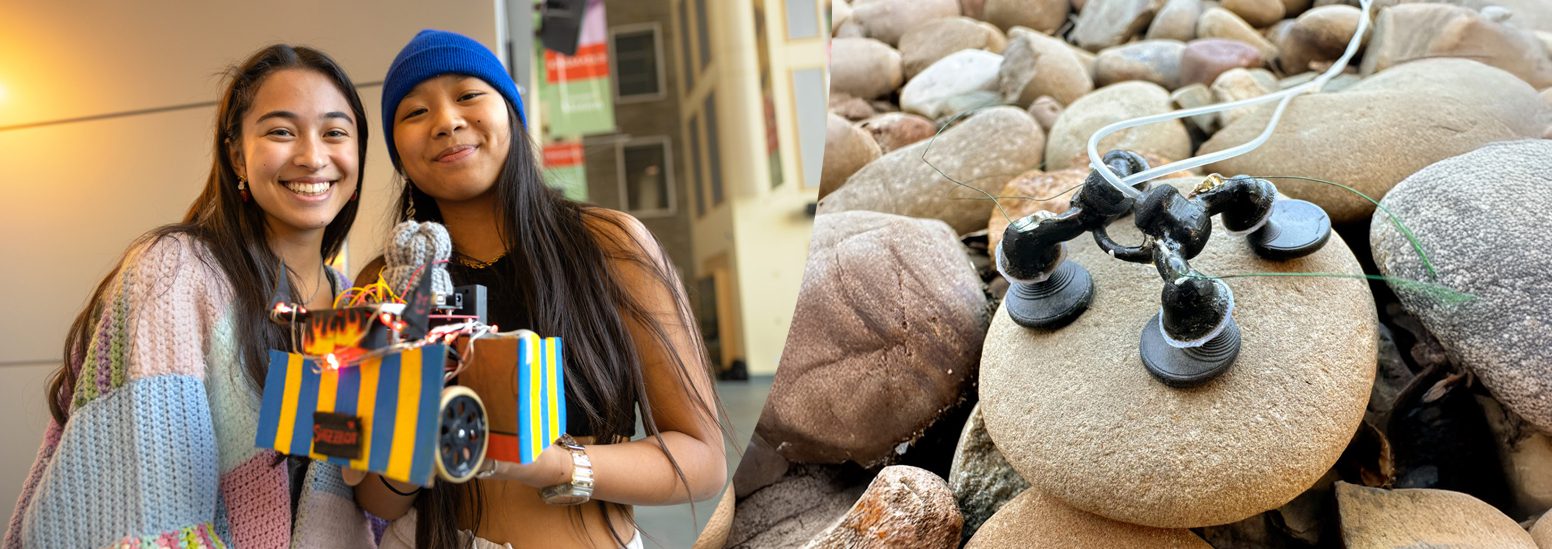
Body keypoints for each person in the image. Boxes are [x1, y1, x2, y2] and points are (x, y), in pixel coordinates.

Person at [350, 29, 726, 549]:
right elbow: (377, 501)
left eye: (468, 95)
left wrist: (555, 465)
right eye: (414, 113)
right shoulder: (387, 282)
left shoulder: (611, 245)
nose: (446, 122)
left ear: (510, 111)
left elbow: (702, 459)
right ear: (397, 150)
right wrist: (410, 447)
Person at [5, 44, 377, 548]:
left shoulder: (357, 304)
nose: (313, 157)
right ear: (236, 155)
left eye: (335, 132)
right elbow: (152, 503)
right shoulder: (177, 272)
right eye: (281, 131)